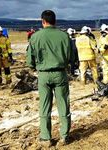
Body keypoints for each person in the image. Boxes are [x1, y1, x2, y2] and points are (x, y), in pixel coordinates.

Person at [26, 10, 74, 147]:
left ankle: (46, 138)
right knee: (64, 105)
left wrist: (36, 67)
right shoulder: (64, 36)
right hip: (60, 73)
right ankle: (64, 137)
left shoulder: (35, 37)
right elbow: (72, 57)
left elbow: (30, 60)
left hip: (43, 75)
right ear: (55, 21)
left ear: (43, 21)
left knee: (44, 106)